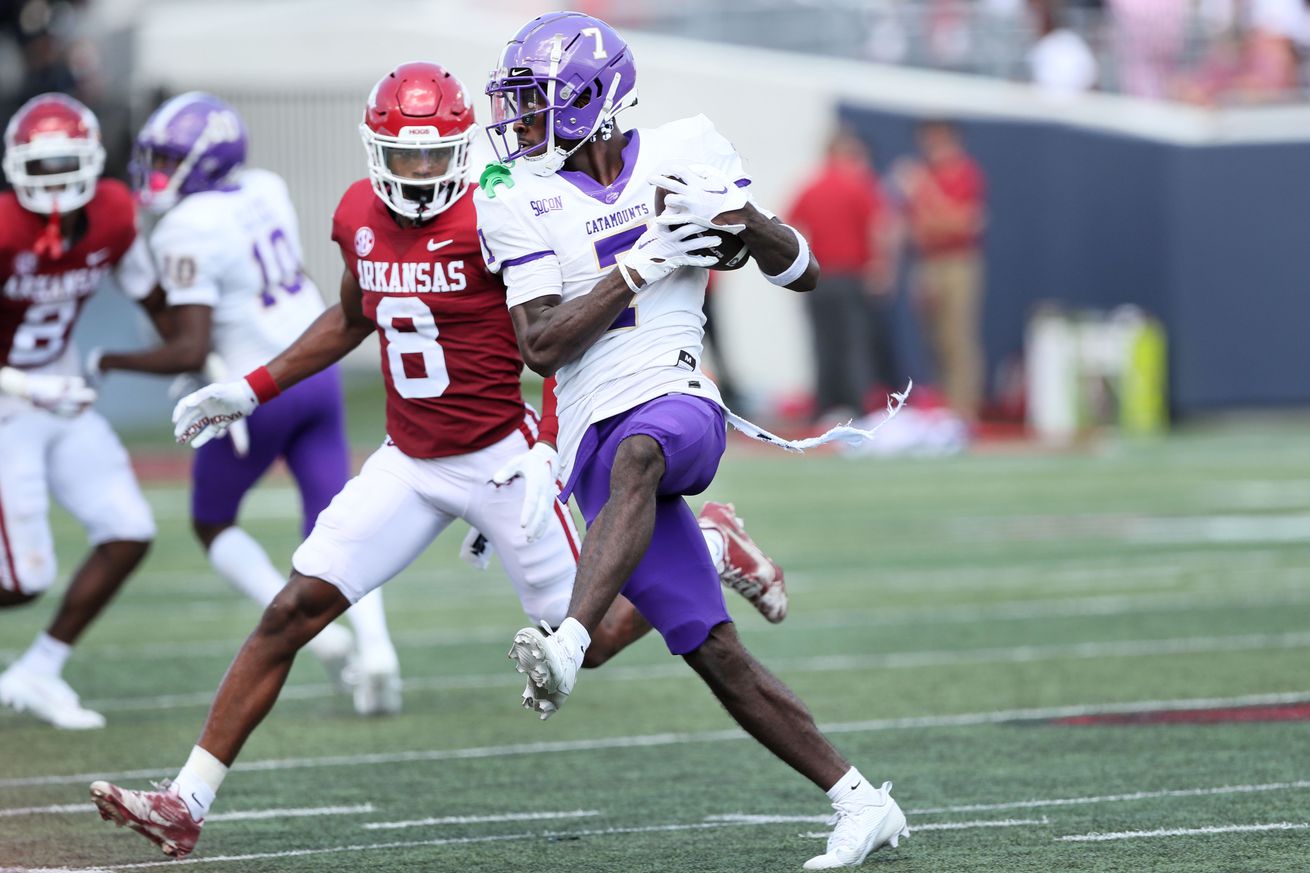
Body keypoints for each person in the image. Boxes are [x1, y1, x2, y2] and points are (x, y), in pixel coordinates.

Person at [87, 61, 786, 861]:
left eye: (431, 154)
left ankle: (710, 544)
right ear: (374, 147)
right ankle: (186, 800)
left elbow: (559, 349)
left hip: (501, 455)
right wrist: (250, 388)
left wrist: (548, 455)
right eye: (403, 154)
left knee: (578, 642)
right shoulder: (358, 211)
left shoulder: (504, 206)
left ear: (459, 146)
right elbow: (353, 318)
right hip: (411, 458)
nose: (418, 171)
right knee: (291, 612)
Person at [477, 12, 908, 869]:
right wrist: (639, 261)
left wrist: (740, 215)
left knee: (642, 455)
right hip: (591, 440)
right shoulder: (516, 197)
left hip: (678, 402)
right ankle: (862, 801)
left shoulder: (685, 148)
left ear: (592, 103)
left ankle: (563, 637)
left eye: (536, 102)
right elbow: (541, 344)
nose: (519, 121)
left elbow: (802, 266)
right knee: (711, 649)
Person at [84, 91, 402, 715]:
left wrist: (106, 360)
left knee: (212, 521)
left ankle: (330, 644)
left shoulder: (185, 226)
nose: (156, 171)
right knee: (336, 524)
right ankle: (379, 648)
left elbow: (187, 347)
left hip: (257, 387)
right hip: (316, 368)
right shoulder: (265, 185)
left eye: (170, 158)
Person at [0, 93, 156, 730]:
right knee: (20, 582)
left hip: (59, 392)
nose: (57, 182)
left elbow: (154, 294)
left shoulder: (116, 213)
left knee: (128, 530)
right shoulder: (5, 227)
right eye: (42, 167)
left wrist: (209, 361)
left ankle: (38, 669)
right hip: (7, 408)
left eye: (70, 164)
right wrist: (20, 387)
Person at [787, 127, 903, 421]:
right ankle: (858, 407)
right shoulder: (859, 185)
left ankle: (823, 408)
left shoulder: (810, 186)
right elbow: (880, 227)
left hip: (817, 278)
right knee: (854, 343)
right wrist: (882, 266)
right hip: (851, 276)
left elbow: (790, 227)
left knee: (822, 343)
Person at [895, 119, 986, 425]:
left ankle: (964, 409)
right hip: (927, 261)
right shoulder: (926, 174)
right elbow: (913, 226)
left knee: (957, 337)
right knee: (932, 338)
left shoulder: (962, 173)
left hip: (956, 260)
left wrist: (925, 193)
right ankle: (945, 407)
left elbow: (962, 222)